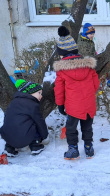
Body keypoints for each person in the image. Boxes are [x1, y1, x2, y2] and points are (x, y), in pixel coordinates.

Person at [54, 26, 100, 160]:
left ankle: (73, 149)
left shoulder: (62, 70)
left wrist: (60, 104)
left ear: (62, 53)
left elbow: (59, 89)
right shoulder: (88, 65)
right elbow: (95, 84)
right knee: (87, 127)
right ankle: (88, 147)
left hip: (73, 106)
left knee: (71, 128)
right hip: (89, 104)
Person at [0, 79, 48, 156]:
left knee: (12, 124)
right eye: (39, 93)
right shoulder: (32, 105)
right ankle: (35, 146)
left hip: (7, 136)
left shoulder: (13, 102)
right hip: (24, 138)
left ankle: (9, 149)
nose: (41, 96)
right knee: (34, 123)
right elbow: (39, 121)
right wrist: (44, 135)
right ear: (31, 93)